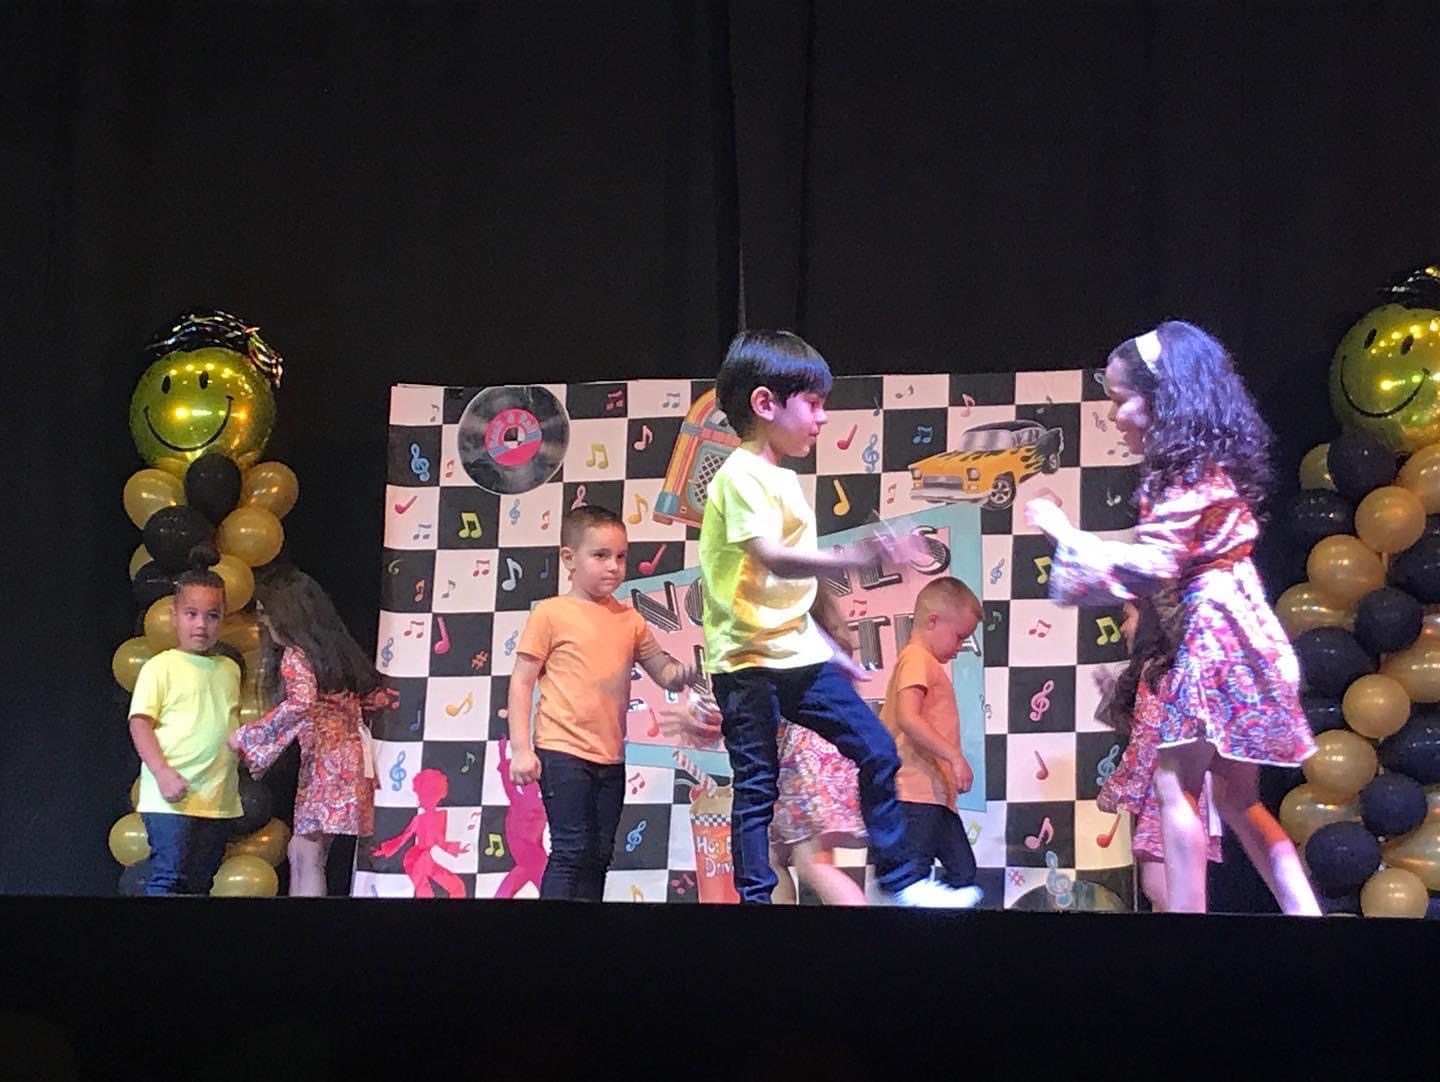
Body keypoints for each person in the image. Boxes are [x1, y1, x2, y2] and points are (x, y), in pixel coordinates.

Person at [1025, 321, 1320, 915]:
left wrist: (1065, 535)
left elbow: (1156, 564)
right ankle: (1306, 916)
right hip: (1243, 636)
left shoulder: (1184, 475)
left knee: (1172, 784)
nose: (1115, 415)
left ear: (1163, 400)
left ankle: (1188, 928)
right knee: (1236, 797)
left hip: (1216, 637)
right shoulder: (1207, 467)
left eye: (1122, 400)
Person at [699, 328, 973, 906]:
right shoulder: (740, 475)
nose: (822, 418)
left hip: (795, 657)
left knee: (876, 749)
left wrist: (829, 650)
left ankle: (900, 881)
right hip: (747, 665)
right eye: (813, 403)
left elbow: (785, 590)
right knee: (757, 786)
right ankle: (755, 901)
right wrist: (856, 556)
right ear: (765, 403)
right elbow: (772, 557)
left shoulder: (783, 479)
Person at [507, 504, 698, 901]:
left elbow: (663, 671)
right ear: (568, 559)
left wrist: (687, 670)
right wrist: (522, 749)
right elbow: (522, 682)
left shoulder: (629, 619)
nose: (613, 566)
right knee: (571, 850)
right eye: (600, 555)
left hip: (610, 757)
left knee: (598, 855)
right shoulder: (552, 613)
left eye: (621, 556)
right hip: (562, 750)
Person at [229, 567, 385, 896]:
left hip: (328, 762)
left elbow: (300, 703)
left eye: (266, 613)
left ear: (286, 614)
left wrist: (249, 736)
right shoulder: (333, 652)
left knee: (309, 851)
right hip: (349, 759)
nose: (263, 622)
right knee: (302, 849)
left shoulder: (296, 656)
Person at [127, 545, 242, 895]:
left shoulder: (230, 669)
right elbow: (140, 723)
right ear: (174, 615)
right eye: (191, 614)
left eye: (212, 616)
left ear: (223, 618)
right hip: (171, 798)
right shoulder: (160, 666)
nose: (201, 625)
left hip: (217, 799)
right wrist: (162, 773)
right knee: (168, 876)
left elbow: (226, 723)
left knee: (200, 885)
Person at [1094, 602, 1223, 911]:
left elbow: (1148, 741)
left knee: (1163, 889)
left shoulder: (1158, 671)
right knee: (1172, 890)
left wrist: (1116, 789)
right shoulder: (1180, 665)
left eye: (1128, 618)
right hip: (1190, 792)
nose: (1123, 628)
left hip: (1171, 794)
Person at [878, 577, 985, 906]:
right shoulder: (916, 658)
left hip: (936, 794)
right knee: (911, 877)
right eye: (959, 636)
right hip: (914, 790)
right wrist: (955, 757)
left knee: (963, 872)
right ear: (933, 621)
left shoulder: (926, 664)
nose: (960, 646)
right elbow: (909, 718)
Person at [768, 590, 872, 906]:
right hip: (812, 763)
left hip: (805, 766)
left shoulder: (791, 651)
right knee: (770, 856)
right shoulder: (827, 652)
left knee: (810, 862)